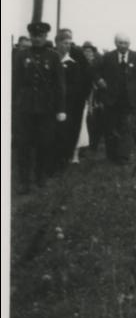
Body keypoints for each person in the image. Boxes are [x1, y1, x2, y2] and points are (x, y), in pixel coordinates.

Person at [12, 22, 66, 192]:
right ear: (30, 36)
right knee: (23, 144)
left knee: (44, 143)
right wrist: (12, 105)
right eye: (34, 36)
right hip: (25, 106)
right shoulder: (21, 55)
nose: (37, 39)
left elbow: (60, 85)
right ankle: (24, 180)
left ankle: (40, 176)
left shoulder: (53, 56)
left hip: (46, 107)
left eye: (40, 36)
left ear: (45, 37)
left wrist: (61, 108)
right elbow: (15, 81)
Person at [93, 33, 136, 164]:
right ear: (115, 43)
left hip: (130, 100)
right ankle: (111, 155)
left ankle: (123, 157)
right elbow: (94, 71)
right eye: (120, 43)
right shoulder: (108, 57)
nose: (123, 45)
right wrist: (99, 80)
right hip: (111, 99)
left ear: (129, 44)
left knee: (127, 127)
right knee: (110, 128)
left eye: (126, 43)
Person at [54, 30, 92, 169]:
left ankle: (62, 159)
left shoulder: (73, 64)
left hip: (68, 105)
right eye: (65, 43)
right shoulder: (52, 60)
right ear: (57, 43)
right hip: (52, 103)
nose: (68, 46)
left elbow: (77, 87)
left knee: (65, 133)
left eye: (70, 43)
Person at [82, 42, 104, 151]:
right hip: (84, 95)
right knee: (84, 120)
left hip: (96, 95)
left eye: (89, 51)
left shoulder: (98, 63)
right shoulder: (80, 64)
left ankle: (93, 143)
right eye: (85, 51)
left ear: (93, 52)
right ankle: (83, 144)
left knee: (95, 120)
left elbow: (100, 78)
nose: (87, 53)